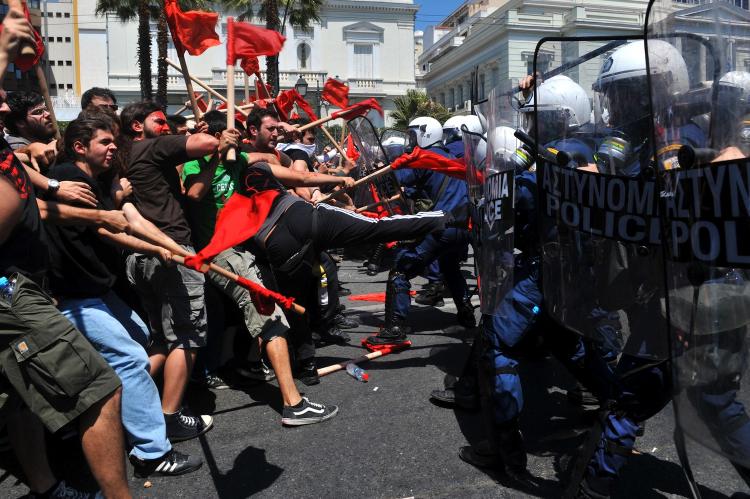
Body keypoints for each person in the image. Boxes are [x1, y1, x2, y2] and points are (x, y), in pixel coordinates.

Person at [0, 9, 131, 497]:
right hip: (7, 287)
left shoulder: (15, 153)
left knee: (18, 399)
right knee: (100, 386)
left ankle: (46, 487)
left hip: (25, 282)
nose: (3, 99)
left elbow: (26, 189)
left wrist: (55, 184)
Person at [46, 113, 204, 476]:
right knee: (132, 358)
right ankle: (152, 452)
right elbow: (110, 228)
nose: (114, 147)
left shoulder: (97, 180)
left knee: (142, 338)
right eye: (105, 142)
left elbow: (133, 219)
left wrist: (176, 249)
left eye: (114, 140)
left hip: (99, 291)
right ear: (79, 146)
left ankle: (109, 413)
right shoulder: (71, 180)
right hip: (75, 297)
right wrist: (156, 250)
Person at [181, 109, 340, 425]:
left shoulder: (241, 159)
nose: (234, 144)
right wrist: (215, 155)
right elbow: (194, 194)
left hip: (245, 247)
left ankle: (250, 364)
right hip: (220, 252)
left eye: (236, 139)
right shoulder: (194, 165)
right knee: (268, 314)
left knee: (264, 307)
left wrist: (338, 178)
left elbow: (296, 176)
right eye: (228, 138)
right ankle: (293, 404)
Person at [120, 100, 220, 441]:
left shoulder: (123, 156)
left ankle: (121, 403)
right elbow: (207, 144)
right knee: (188, 336)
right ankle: (170, 417)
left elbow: (190, 188)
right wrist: (212, 138)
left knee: (162, 340)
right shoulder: (150, 146)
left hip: (141, 256)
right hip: (173, 252)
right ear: (137, 126)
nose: (166, 127)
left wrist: (215, 155)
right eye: (159, 121)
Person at [365, 116, 475, 349]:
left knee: (400, 269)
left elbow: (395, 178)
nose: (412, 142)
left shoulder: (425, 158)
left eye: (414, 136)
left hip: (441, 227)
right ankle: (466, 312)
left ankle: (395, 328)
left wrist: (378, 171)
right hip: (463, 229)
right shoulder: (451, 157)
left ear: (426, 134)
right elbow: (420, 187)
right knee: (450, 268)